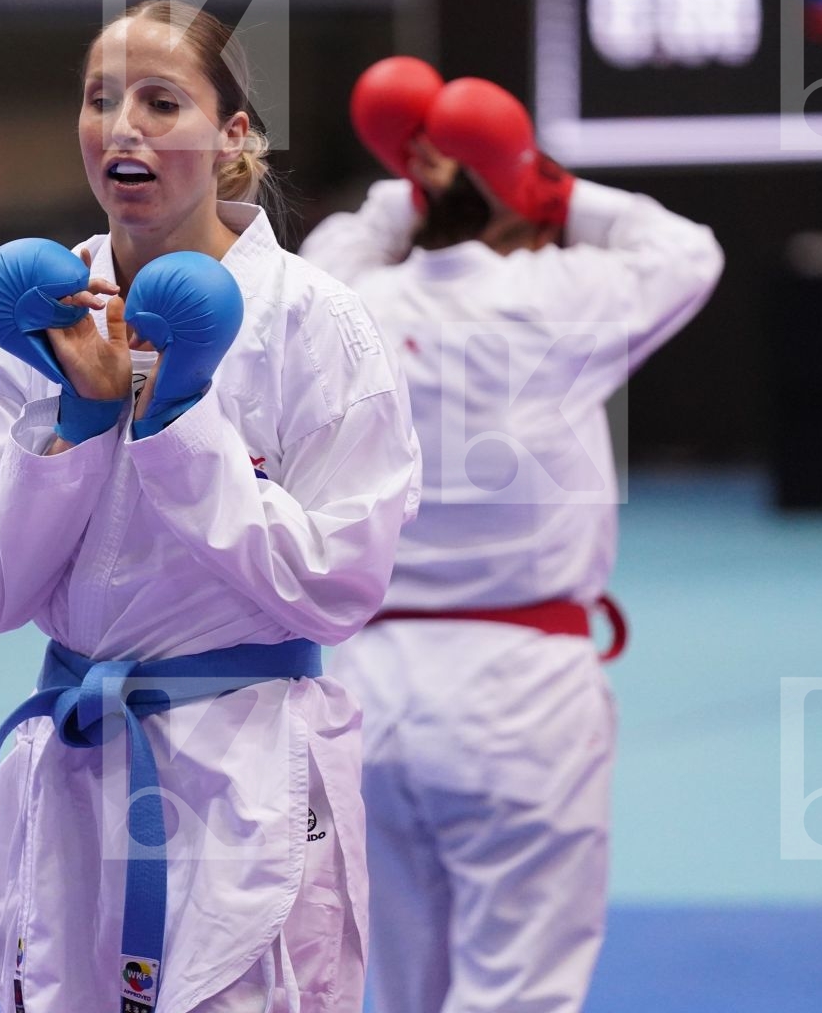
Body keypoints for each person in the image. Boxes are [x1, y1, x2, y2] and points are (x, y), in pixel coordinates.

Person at [0, 1, 421, 1013]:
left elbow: (339, 585)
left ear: (233, 135)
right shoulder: (28, 320)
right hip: (77, 760)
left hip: (248, 764)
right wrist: (78, 428)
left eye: (161, 102)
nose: (122, 126)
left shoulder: (316, 323)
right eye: (100, 99)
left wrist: (179, 426)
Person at [301, 59, 725, 1013]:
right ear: (526, 210)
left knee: (400, 995)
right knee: (519, 994)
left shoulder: (351, 304)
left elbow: (341, 244)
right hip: (520, 695)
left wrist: (414, 179)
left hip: (366, 694)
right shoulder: (558, 295)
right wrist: (547, 185)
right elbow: (685, 249)